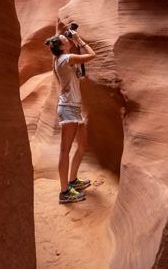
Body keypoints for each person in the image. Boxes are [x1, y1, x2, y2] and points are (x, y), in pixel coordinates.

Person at [46, 28, 96, 204]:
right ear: (61, 47)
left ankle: (73, 180)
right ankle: (64, 192)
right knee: (65, 150)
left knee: (82, 146)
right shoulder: (66, 58)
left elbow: (81, 74)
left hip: (74, 108)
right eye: (64, 38)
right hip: (68, 108)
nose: (67, 38)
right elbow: (92, 55)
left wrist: (73, 42)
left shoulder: (64, 60)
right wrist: (79, 39)